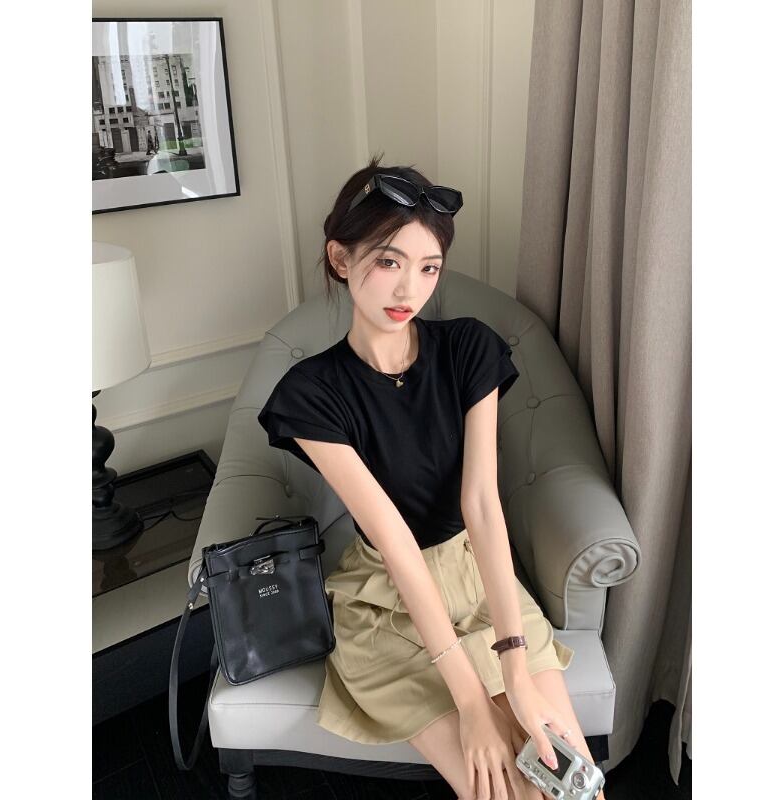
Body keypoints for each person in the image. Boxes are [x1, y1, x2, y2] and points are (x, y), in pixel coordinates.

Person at [258, 155, 605, 800]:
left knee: (575, 789)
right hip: (387, 601)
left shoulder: (469, 348)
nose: (408, 291)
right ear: (340, 258)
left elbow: (482, 504)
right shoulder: (311, 393)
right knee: (508, 793)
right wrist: (473, 704)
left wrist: (516, 674)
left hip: (480, 579)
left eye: (428, 267)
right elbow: (394, 539)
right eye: (389, 262)